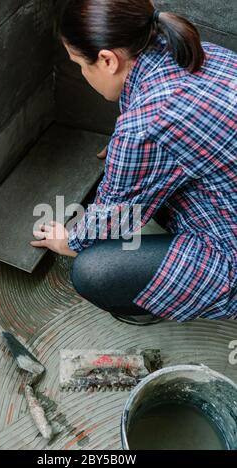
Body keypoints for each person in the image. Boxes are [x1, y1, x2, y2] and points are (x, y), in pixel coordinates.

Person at [31, 0, 237, 325]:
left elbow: (111, 223)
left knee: (94, 271)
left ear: (108, 60)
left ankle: (161, 301)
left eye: (80, 65)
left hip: (231, 249)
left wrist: (68, 241)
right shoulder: (188, 47)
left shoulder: (146, 127)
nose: (82, 74)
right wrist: (129, 148)